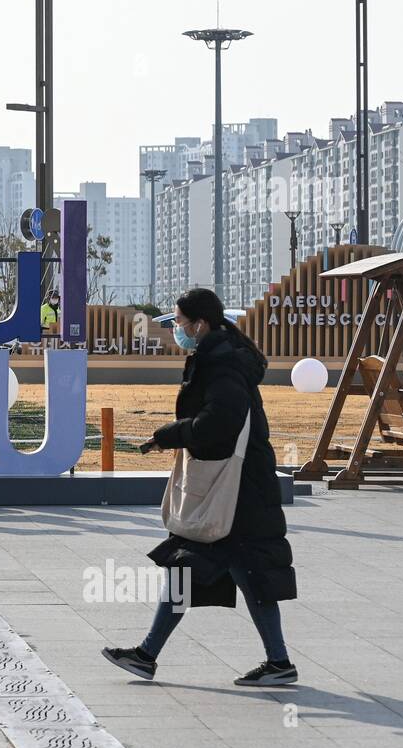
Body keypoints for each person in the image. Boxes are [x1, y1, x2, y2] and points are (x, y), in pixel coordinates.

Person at [102, 287, 298, 687]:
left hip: (238, 491)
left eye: (179, 322)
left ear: (201, 324)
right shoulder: (217, 356)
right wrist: (172, 436)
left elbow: (219, 422)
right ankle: (147, 655)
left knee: (246, 573)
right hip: (230, 487)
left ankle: (277, 662)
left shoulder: (222, 365)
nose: (177, 329)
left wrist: (170, 434)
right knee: (195, 571)